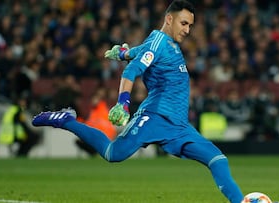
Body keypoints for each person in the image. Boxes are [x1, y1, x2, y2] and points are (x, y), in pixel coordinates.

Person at [31, 1, 243, 202]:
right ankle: (66, 120)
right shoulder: (160, 42)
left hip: (179, 126)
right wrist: (123, 103)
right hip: (155, 117)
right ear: (169, 19)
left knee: (217, 159)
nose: (188, 30)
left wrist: (124, 53)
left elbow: (142, 53)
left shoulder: (165, 43)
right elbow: (132, 70)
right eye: (184, 23)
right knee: (113, 154)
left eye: (190, 25)